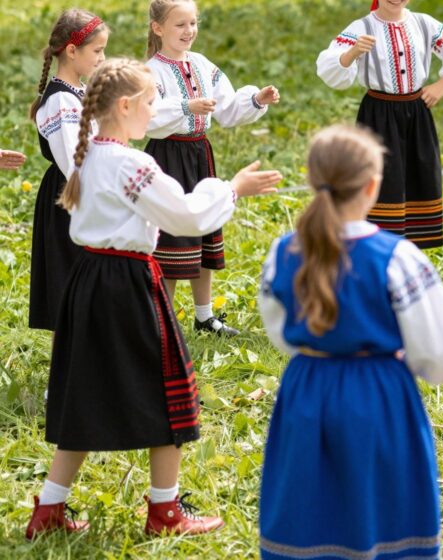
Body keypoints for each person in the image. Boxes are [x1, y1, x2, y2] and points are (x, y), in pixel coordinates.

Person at [26, 59, 281, 540]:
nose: (155, 111)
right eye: (150, 102)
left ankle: (49, 509)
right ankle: (165, 511)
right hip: (127, 284)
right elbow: (186, 216)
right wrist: (232, 189)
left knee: (85, 394)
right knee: (171, 392)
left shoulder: (88, 155)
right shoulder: (132, 164)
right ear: (125, 106)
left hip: (88, 281)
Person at [258, 124, 443, 560]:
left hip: (306, 389)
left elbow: (279, 331)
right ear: (372, 186)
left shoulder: (282, 252)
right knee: (384, 506)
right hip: (379, 395)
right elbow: (437, 356)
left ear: (312, 180)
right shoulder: (398, 258)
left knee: (308, 506)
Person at [145, 0, 280, 336]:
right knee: (172, 240)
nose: (189, 30)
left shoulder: (202, 65)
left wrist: (256, 99)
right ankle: (162, 321)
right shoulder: (150, 72)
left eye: (193, 23)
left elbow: (228, 108)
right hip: (167, 157)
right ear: (158, 28)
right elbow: (147, 118)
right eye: (180, 24)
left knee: (204, 229)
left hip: (199, 154)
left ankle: (204, 316)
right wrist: (185, 108)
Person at [316, 0, 443, 249]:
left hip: (417, 113)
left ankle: (411, 253)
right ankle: (376, 247)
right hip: (378, 114)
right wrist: (352, 53)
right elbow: (329, 67)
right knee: (381, 179)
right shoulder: (362, 27)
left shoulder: (424, 24)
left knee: (419, 176)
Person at [28, 9, 107, 331]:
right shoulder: (61, 102)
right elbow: (75, 160)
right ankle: (72, 358)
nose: (102, 58)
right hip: (72, 196)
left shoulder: (79, 92)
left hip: (85, 189)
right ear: (72, 51)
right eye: (97, 51)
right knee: (72, 284)